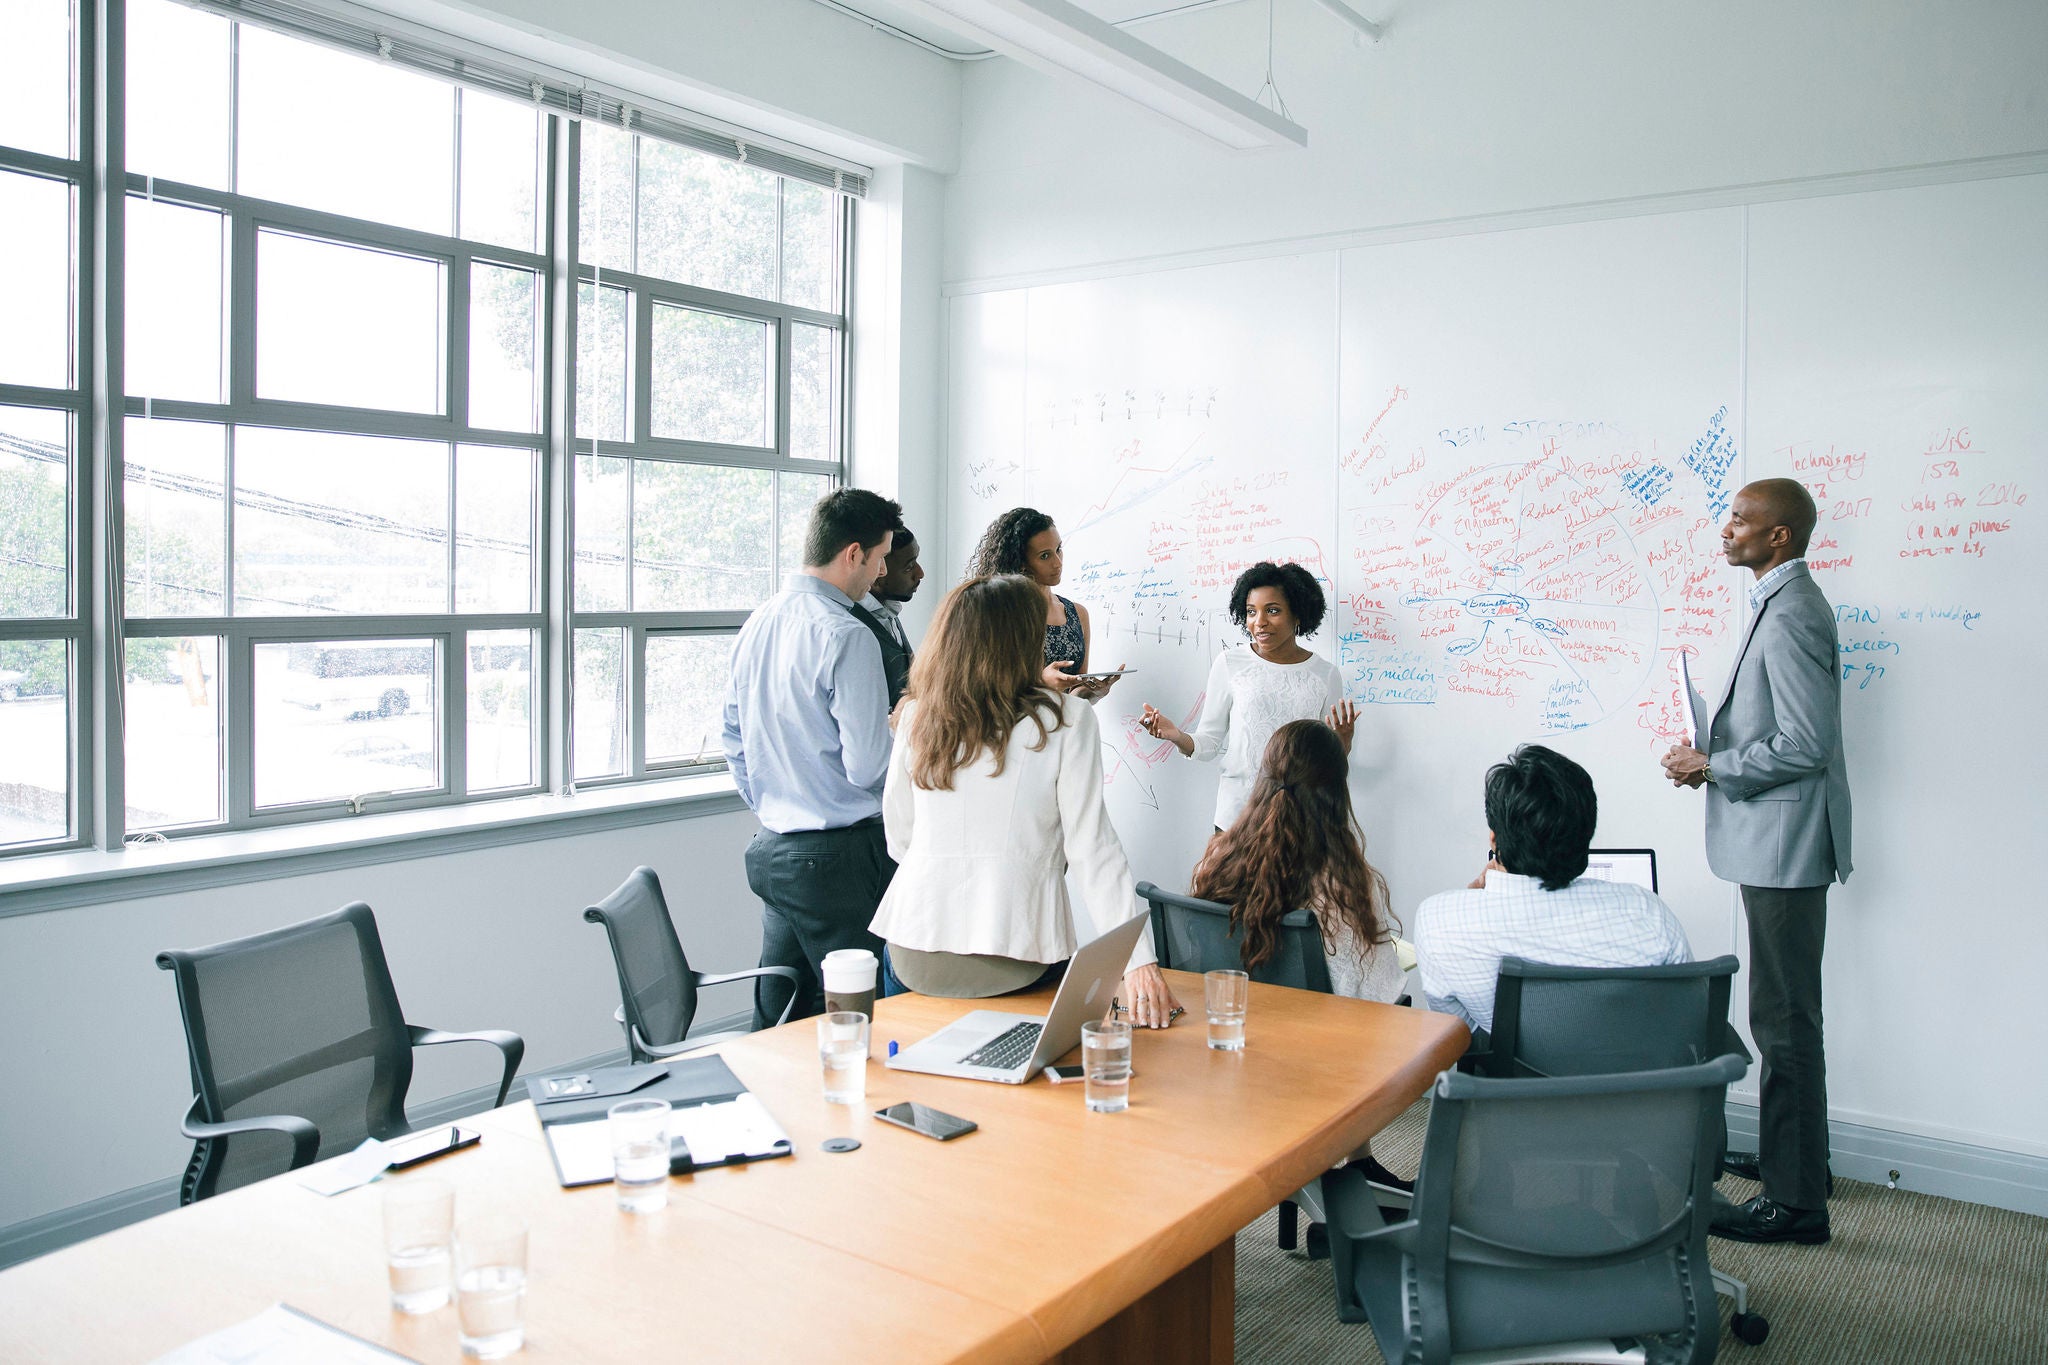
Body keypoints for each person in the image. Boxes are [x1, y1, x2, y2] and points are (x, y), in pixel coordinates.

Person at [1661, 478, 1852, 1247]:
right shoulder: (1779, 601)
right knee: (1784, 1014)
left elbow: (1807, 743)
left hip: (1785, 845)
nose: (1726, 528)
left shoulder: (1796, 610)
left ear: (1780, 537)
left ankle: (1797, 1201)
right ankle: (1799, 1161)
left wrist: (1713, 765)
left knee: (1783, 1020)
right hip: (1774, 840)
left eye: (1741, 519)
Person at [869, 574, 1181, 1028]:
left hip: (913, 939)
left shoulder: (918, 715)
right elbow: (1093, 850)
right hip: (1017, 947)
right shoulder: (1068, 719)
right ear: (1020, 642)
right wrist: (1138, 962)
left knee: (922, 1080)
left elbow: (900, 835)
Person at [721, 488, 904, 1029]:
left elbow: (731, 734)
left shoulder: (760, 619)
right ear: (854, 554)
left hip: (776, 851)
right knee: (865, 1020)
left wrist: (776, 804)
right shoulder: (848, 635)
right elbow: (870, 767)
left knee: (780, 1019)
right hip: (842, 862)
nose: (880, 572)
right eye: (880, 558)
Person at [1413, 744, 1691, 1038]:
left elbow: (1463, 1035)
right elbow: (1681, 1019)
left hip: (1516, 1084)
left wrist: (1468, 902)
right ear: (1585, 835)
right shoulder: (1648, 913)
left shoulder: (1438, 921)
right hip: (1634, 1082)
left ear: (1494, 839)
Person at [1190, 719, 1403, 1004]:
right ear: (1336, 795)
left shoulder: (1218, 862)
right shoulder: (1345, 885)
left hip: (1232, 1030)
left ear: (1263, 779)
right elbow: (1383, 992)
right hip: (1318, 1042)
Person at [1138, 561, 1358, 830]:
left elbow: (1329, 764)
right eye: (1251, 612)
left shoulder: (1325, 674)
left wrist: (1343, 744)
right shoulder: (1230, 664)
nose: (1259, 622)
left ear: (1298, 614)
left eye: (1273, 611)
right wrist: (1177, 736)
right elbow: (1208, 743)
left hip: (1302, 822)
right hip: (1237, 818)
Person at [967, 507, 1122, 701]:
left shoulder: (1077, 613)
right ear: (1021, 562)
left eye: (1058, 549)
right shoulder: (1002, 615)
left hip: (1065, 728)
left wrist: (1095, 692)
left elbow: (1075, 696)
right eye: (1045, 556)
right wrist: (1042, 683)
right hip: (1019, 728)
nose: (1058, 563)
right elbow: (987, 693)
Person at [851, 524, 924, 708]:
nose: (920, 573)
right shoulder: (852, 628)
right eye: (909, 567)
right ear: (878, 571)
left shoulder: (889, 610)